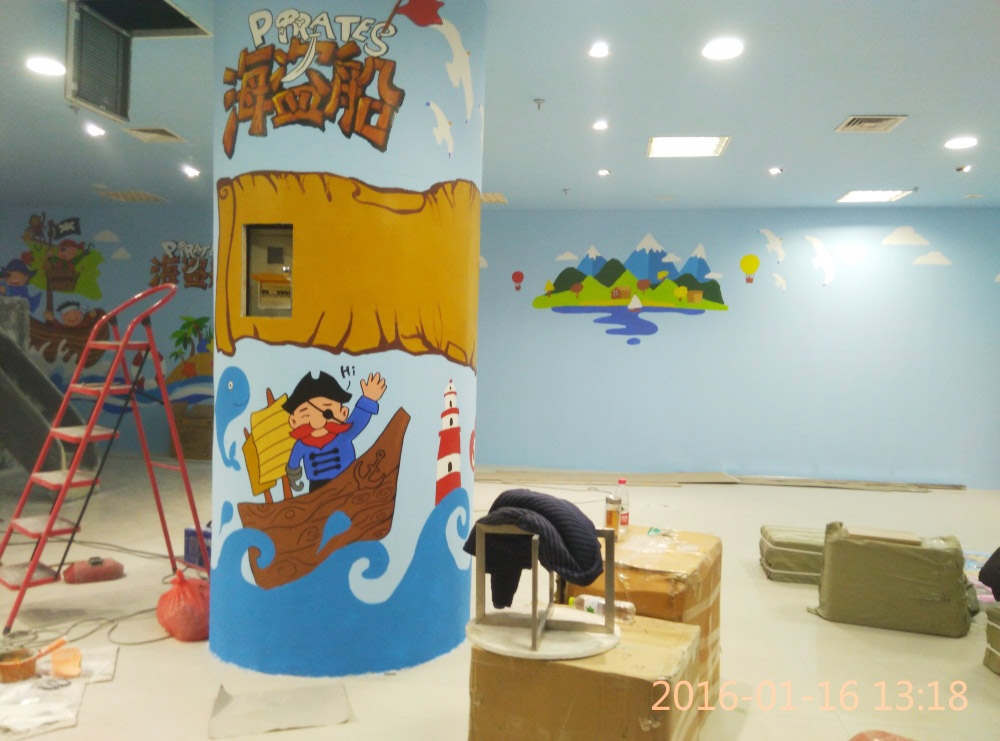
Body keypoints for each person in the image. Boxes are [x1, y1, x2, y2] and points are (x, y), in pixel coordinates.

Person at [284, 370, 387, 492]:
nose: (317, 421)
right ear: (294, 421)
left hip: (346, 480)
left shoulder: (343, 435)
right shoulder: (301, 445)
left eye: (327, 413)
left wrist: (368, 399)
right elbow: (294, 462)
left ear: (343, 413)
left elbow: (358, 421)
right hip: (317, 487)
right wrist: (294, 478)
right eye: (306, 415)